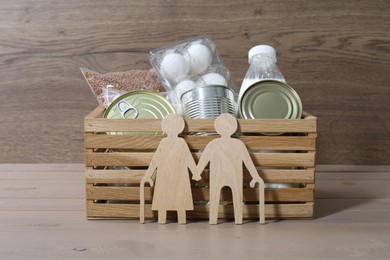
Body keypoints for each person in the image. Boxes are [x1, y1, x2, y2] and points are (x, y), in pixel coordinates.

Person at [192, 113, 264, 224]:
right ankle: (220, 219)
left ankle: (233, 219)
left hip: (231, 175)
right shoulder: (227, 144)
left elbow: (247, 161)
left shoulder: (219, 144)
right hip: (222, 175)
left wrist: (255, 176)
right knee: (217, 197)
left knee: (233, 196)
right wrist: (197, 172)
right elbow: (204, 159)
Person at [141, 114, 197, 224]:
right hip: (167, 175)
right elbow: (156, 160)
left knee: (179, 198)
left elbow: (188, 158)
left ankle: (179, 220)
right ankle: (163, 220)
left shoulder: (180, 142)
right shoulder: (166, 142)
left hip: (176, 175)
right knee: (165, 199)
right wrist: (148, 175)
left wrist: (195, 172)